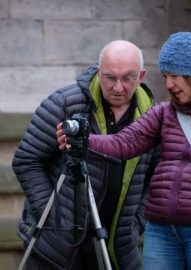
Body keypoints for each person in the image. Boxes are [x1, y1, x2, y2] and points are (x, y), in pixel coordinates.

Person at [58, 32, 191, 270]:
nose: (168, 85)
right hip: (161, 232)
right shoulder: (164, 112)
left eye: (175, 76)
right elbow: (123, 143)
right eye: (166, 76)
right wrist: (83, 141)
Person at [12, 40, 159, 270]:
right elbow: (27, 160)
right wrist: (53, 215)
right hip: (56, 246)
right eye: (110, 77)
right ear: (99, 72)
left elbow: (156, 177)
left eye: (127, 78)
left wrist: (137, 222)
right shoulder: (64, 103)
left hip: (116, 246)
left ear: (141, 75)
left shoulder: (152, 115)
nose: (118, 87)